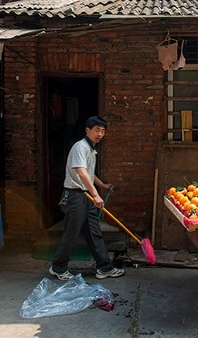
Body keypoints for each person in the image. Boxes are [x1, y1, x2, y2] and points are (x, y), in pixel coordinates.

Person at [49, 116, 125, 281]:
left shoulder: (91, 149)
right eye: (96, 130)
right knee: (72, 233)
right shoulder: (80, 147)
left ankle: (104, 267)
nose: (100, 134)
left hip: (86, 196)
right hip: (75, 196)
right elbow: (81, 173)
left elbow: (89, 174)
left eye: (103, 131)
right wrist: (96, 195)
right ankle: (58, 267)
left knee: (94, 232)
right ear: (87, 130)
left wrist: (102, 185)